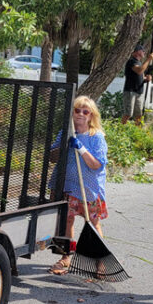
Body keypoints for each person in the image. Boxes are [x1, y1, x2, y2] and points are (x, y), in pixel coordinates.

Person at [48, 96, 108, 276]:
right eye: (77, 110)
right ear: (72, 113)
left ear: (91, 116)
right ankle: (67, 256)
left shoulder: (96, 137)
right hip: (67, 185)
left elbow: (96, 164)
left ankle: (101, 260)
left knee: (94, 223)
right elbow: (52, 157)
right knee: (67, 219)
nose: (80, 114)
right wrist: (64, 147)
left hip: (89, 189)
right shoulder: (65, 133)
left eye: (85, 111)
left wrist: (81, 148)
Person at [122, 45, 153, 124]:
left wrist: (147, 79)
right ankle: (121, 129)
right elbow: (139, 71)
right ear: (136, 52)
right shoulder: (132, 61)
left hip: (139, 91)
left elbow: (141, 77)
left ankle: (138, 131)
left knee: (139, 114)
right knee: (128, 114)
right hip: (130, 91)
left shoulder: (139, 63)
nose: (144, 52)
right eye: (142, 51)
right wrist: (148, 59)